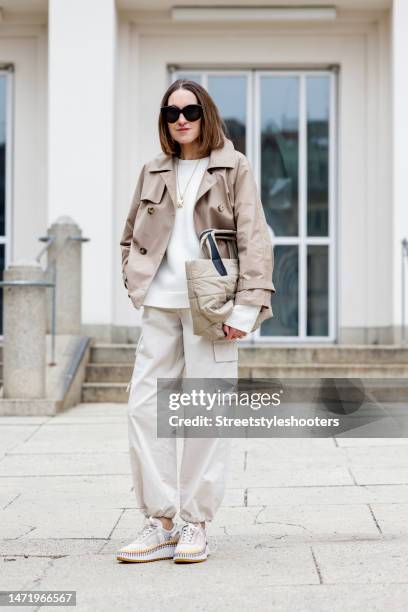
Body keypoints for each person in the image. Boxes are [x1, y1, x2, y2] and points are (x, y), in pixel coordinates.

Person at [117, 79, 274, 564]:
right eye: (170, 113)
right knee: (143, 409)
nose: (180, 119)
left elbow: (254, 236)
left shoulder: (233, 165)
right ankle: (160, 520)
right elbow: (130, 236)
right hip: (159, 304)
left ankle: (195, 523)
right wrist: (132, 277)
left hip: (213, 304)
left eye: (190, 110)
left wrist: (247, 308)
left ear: (206, 114)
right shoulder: (153, 170)